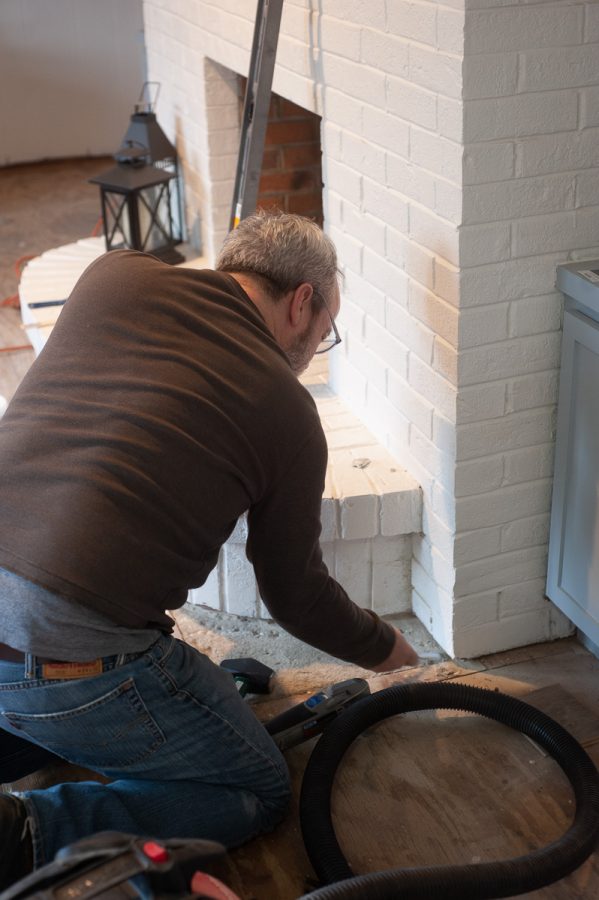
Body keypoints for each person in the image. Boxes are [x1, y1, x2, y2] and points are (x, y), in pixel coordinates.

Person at [0, 210, 417, 889]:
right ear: (302, 301)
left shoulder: (114, 276)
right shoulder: (286, 408)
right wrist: (382, 647)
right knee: (256, 791)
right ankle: (29, 832)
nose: (316, 347)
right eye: (324, 331)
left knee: (56, 681)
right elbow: (295, 594)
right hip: (66, 652)